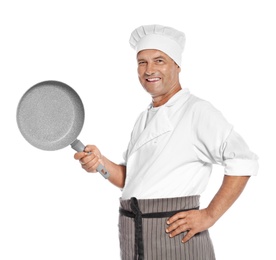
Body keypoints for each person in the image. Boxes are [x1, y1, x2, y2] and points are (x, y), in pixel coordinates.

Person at [74, 24, 259, 260]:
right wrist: (99, 162)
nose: (149, 69)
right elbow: (131, 180)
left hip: (175, 239)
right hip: (135, 237)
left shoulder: (197, 111)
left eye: (159, 60)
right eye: (142, 62)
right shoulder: (144, 118)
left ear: (177, 66)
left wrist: (210, 215)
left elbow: (243, 160)